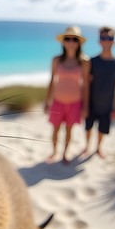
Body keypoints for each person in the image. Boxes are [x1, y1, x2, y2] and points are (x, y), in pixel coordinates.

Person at [44, 26, 89, 164]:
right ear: (63, 42)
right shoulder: (56, 60)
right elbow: (52, 80)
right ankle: (54, 152)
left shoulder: (84, 61)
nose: (70, 42)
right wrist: (47, 101)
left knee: (69, 131)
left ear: (79, 42)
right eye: (67, 39)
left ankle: (65, 154)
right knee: (55, 130)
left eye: (74, 39)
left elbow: (85, 85)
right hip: (58, 102)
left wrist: (85, 106)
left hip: (75, 103)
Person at [84, 26, 115, 158]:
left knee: (102, 129)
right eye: (103, 38)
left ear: (114, 41)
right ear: (99, 41)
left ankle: (98, 148)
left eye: (110, 38)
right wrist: (84, 105)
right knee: (88, 128)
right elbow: (86, 84)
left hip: (107, 106)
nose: (106, 41)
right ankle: (86, 146)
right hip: (91, 103)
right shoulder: (92, 61)